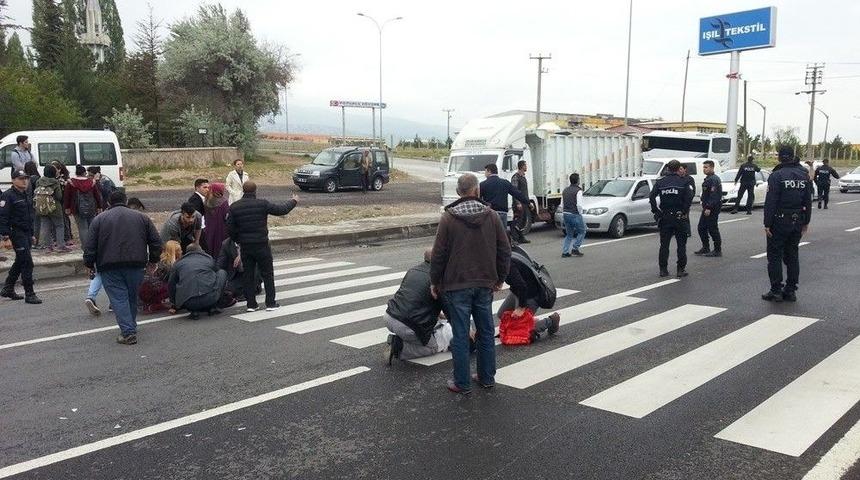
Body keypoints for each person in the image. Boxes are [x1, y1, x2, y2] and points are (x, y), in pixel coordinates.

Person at [431, 173, 511, 394]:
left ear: (458, 192)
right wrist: (500, 278)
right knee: (486, 331)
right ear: (477, 191)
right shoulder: (492, 216)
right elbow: (505, 250)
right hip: (485, 283)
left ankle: (462, 382)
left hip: (457, 285)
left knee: (460, 333)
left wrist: (434, 281)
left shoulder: (448, 218)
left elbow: (438, 254)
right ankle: (486, 377)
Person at [84, 190, 162, 345]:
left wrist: (88, 263)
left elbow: (90, 245)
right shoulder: (142, 218)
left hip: (109, 266)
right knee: (131, 296)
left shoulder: (99, 219)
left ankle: (127, 332)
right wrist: (153, 260)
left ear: (108, 203)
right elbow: (156, 242)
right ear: (126, 201)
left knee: (119, 298)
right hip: (136, 264)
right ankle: (130, 325)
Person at [227, 181, 298, 312]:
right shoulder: (262, 204)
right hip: (262, 244)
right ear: (255, 191)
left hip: (246, 246)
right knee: (267, 274)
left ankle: (251, 304)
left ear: (243, 190)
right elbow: (281, 210)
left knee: (248, 275)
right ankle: (270, 303)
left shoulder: (234, 207)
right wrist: (293, 201)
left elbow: (230, 228)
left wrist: (238, 240)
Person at [762, 146, 813, 303]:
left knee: (775, 255)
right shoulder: (803, 175)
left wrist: (767, 223)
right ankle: (790, 291)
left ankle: (776, 291)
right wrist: (806, 221)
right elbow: (808, 201)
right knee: (792, 255)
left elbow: (771, 201)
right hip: (797, 220)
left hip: (779, 220)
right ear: (793, 156)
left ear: (779, 157)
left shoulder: (777, 175)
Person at [384, 248, 452, 363]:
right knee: (432, 347)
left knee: (430, 328)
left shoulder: (413, 270)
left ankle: (402, 340)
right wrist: (464, 329)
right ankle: (398, 347)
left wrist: (438, 315)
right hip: (407, 325)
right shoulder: (439, 279)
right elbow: (449, 309)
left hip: (390, 315)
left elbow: (414, 297)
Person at [85, 198, 147, 316]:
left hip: (104, 257)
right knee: (120, 284)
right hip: (123, 256)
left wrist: (89, 262)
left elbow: (91, 241)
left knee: (101, 276)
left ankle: (91, 296)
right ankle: (115, 306)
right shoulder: (132, 218)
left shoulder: (101, 217)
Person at [497, 248, 561, 343]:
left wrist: (521, 308)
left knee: (519, 333)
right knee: (502, 315)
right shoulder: (501, 257)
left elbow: (522, 286)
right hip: (517, 292)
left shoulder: (507, 262)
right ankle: (528, 320)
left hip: (531, 294)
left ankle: (551, 320)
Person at [0, 170, 42, 304]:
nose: (25, 181)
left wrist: (32, 234)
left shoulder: (25, 194)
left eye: (26, 178)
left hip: (25, 233)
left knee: (20, 261)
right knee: (27, 262)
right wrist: (5, 237)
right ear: (13, 180)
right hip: (15, 233)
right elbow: (3, 217)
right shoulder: (8, 196)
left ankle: (8, 288)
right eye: (21, 178)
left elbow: (29, 217)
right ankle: (30, 293)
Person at [650, 159, 694, 278]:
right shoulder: (684, 182)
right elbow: (689, 198)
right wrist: (684, 211)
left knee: (664, 245)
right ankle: (680, 269)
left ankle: (663, 270)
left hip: (665, 216)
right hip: (680, 216)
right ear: (678, 168)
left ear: (668, 168)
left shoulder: (661, 182)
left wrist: (656, 211)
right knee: (681, 244)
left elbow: (651, 196)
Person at [167, 243, 228, 319]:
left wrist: (174, 303)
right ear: (200, 250)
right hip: (210, 298)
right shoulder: (209, 259)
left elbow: (171, 284)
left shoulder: (178, 263)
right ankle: (214, 307)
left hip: (188, 302)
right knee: (222, 272)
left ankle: (194, 311)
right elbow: (217, 273)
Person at [479, 163, 528, 244]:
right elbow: (517, 194)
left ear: (489, 171)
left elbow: (478, 199)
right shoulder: (505, 183)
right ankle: (503, 252)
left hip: (489, 214)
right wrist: (528, 202)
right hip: (502, 213)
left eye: (485, 172)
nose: (485, 174)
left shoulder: (483, 184)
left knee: (490, 235)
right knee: (502, 236)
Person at [63, 164, 104, 249]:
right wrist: (99, 206)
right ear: (85, 173)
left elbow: (67, 196)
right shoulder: (92, 182)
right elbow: (97, 195)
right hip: (91, 208)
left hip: (76, 208)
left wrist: (67, 208)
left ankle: (86, 247)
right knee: (92, 227)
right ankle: (93, 245)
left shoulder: (71, 182)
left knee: (82, 228)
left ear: (76, 173)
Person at [138, 240, 181, 314]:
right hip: (151, 291)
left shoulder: (162, 261)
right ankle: (154, 304)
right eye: (179, 250)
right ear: (174, 252)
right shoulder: (171, 266)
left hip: (144, 289)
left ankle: (154, 302)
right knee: (175, 285)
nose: (181, 252)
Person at [34, 164, 69, 252]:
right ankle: (61, 246)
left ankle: (48, 246)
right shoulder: (55, 182)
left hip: (42, 207)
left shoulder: (39, 181)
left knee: (45, 226)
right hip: (55, 207)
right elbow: (59, 196)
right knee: (59, 226)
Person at [216, 237, 261, 302]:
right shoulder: (226, 244)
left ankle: (252, 288)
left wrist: (242, 255)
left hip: (251, 271)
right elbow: (220, 264)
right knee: (229, 290)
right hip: (237, 275)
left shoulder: (251, 240)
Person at [694, 160, 723, 257]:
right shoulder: (708, 179)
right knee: (701, 228)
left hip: (712, 208)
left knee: (712, 228)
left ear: (712, 167)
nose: (704, 169)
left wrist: (709, 207)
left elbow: (713, 195)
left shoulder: (714, 179)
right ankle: (706, 247)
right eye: (704, 167)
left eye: (706, 167)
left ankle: (717, 250)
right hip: (706, 207)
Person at [561, 173, 586, 258]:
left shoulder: (565, 190)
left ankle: (565, 252)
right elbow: (579, 204)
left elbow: (562, 204)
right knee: (582, 231)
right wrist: (580, 213)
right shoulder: (578, 191)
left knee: (569, 234)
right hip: (574, 214)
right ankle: (575, 248)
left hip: (565, 213)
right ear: (578, 181)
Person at [202, 182, 230, 257]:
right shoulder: (223, 202)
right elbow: (227, 216)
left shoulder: (206, 200)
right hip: (221, 228)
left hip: (209, 227)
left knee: (210, 244)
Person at [509, 160, 531, 244]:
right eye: (525, 165)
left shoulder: (523, 177)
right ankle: (514, 239)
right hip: (519, 204)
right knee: (517, 221)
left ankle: (521, 237)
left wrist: (529, 202)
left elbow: (525, 192)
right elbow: (515, 191)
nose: (526, 167)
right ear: (522, 166)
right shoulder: (516, 177)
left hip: (524, 202)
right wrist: (517, 203)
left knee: (523, 221)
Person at [24, 161, 41, 246]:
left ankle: (33, 241)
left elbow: (28, 192)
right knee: (37, 223)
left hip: (30, 203)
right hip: (38, 202)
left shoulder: (28, 179)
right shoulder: (38, 177)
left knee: (33, 223)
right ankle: (36, 241)